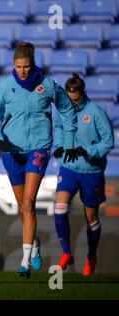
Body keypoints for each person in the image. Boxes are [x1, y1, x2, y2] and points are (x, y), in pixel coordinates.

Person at [0, 41, 78, 278]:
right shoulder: (5, 87)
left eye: (25, 66)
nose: (22, 71)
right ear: (13, 65)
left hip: (38, 147)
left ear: (33, 64)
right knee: (23, 206)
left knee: (28, 203)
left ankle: (24, 262)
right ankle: (33, 243)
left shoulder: (47, 85)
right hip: (12, 151)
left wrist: (66, 141)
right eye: (18, 66)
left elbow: (67, 109)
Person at [52, 74, 114, 276]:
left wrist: (88, 150)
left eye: (76, 100)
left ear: (83, 95)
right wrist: (61, 146)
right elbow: (59, 128)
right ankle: (66, 253)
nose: (72, 104)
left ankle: (91, 257)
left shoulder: (96, 112)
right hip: (69, 167)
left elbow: (108, 142)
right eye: (69, 100)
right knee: (59, 206)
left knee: (91, 217)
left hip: (91, 171)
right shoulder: (63, 109)